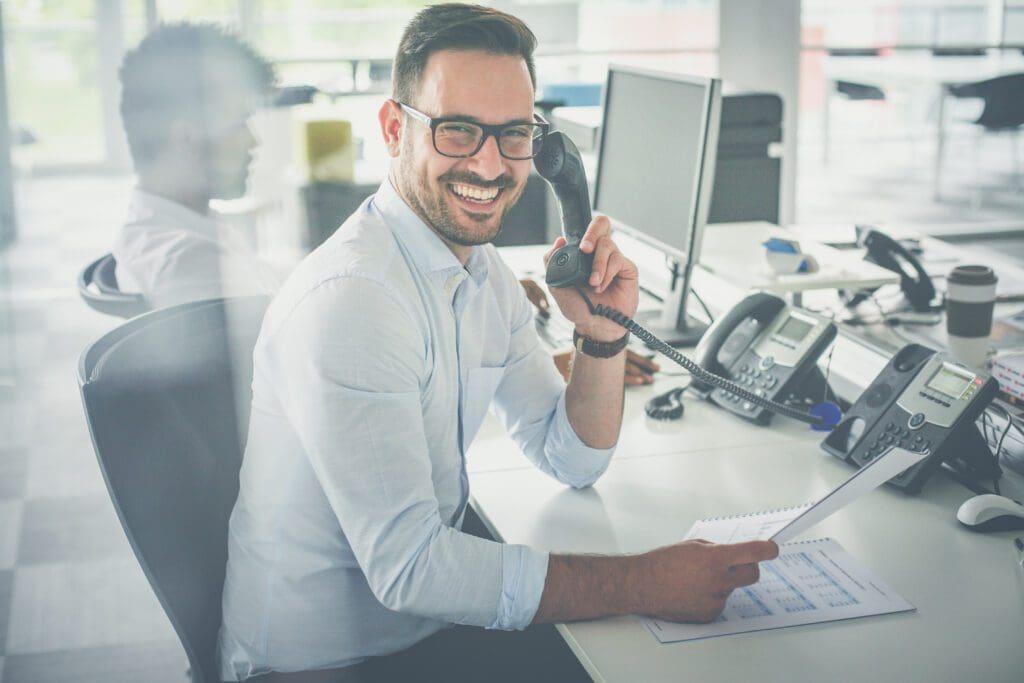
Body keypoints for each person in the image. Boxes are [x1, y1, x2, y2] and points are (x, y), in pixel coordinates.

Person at [218, 4, 777, 681]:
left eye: (514, 134)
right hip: (327, 662)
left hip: (417, 629)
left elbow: (570, 458)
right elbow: (413, 569)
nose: (489, 164)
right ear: (396, 129)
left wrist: (599, 337)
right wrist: (644, 580)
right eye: (458, 131)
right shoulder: (354, 302)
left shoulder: (479, 271)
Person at [112, 23, 284, 309]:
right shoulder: (190, 264)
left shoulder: (176, 223)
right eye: (240, 122)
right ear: (186, 138)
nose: (253, 141)